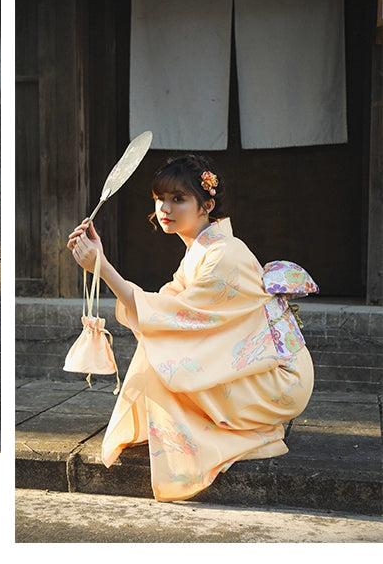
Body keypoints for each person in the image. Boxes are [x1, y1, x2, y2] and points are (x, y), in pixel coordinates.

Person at [66, 154, 315, 501]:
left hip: (282, 380)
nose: (165, 207)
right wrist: (102, 262)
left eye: (178, 199)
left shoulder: (223, 255)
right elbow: (161, 309)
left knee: (164, 354)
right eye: (160, 198)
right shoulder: (202, 250)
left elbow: (170, 319)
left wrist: (103, 268)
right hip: (260, 369)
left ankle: (238, 436)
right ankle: (224, 430)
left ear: (206, 205)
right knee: (160, 345)